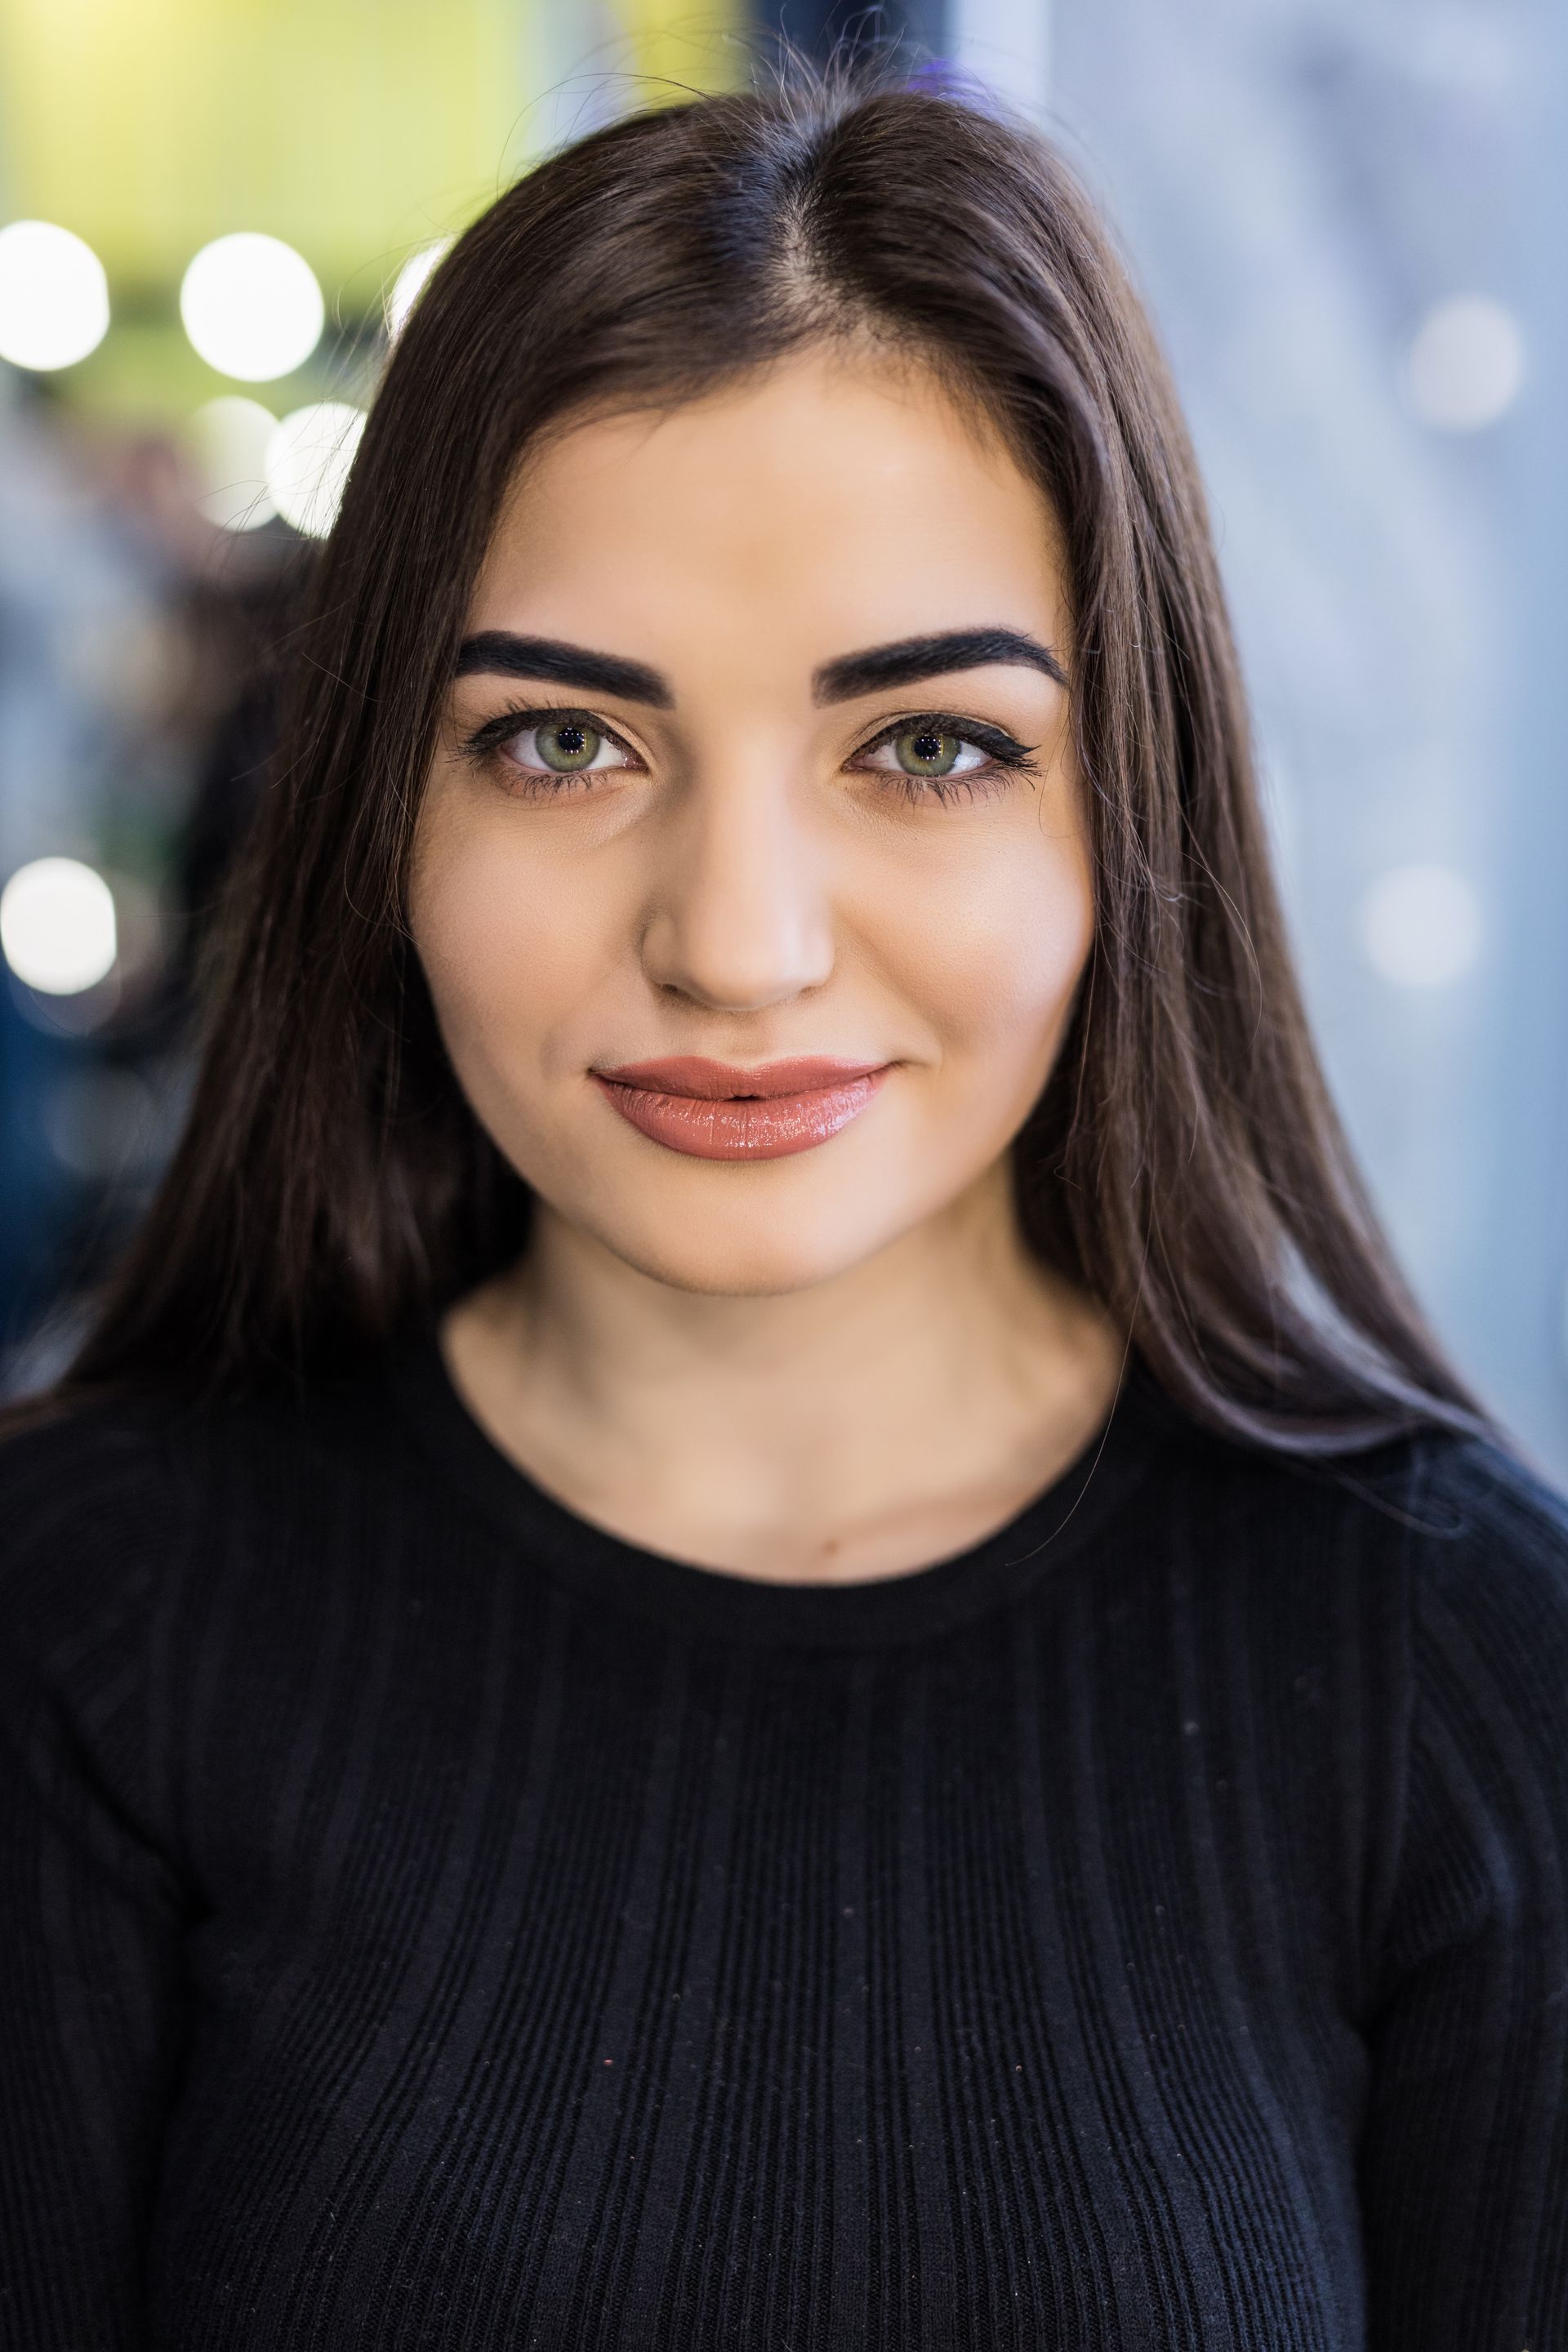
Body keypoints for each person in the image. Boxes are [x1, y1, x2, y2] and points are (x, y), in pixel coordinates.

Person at [2, 66, 1565, 2352]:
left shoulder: (1473, 1685)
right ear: (383, 813)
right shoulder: (78, 1635)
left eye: (926, 747)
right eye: (566, 741)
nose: (737, 945)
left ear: (1127, 809)